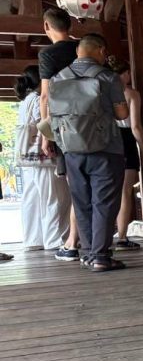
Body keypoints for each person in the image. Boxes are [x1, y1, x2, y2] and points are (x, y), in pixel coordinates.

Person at [50, 34, 128, 272]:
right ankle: (101, 257)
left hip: (72, 150)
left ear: (78, 52)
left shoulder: (58, 78)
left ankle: (87, 253)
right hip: (106, 149)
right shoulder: (107, 77)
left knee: (82, 202)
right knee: (104, 202)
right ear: (101, 51)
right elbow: (122, 114)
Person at [37, 7, 83, 261]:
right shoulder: (83, 48)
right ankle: (91, 239)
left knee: (75, 187)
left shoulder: (48, 55)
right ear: (70, 25)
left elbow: (45, 96)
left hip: (65, 126)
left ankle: (72, 242)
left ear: (46, 27)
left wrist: (46, 135)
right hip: (93, 122)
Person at [12, 65, 70, 252]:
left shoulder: (26, 101)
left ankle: (34, 239)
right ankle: (55, 239)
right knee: (55, 197)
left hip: (29, 158)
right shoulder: (39, 100)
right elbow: (46, 124)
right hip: (44, 157)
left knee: (33, 198)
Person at [108, 59, 143, 251]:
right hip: (125, 140)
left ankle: (103, 237)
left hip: (106, 140)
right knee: (125, 191)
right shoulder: (131, 94)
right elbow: (136, 126)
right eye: (127, 73)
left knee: (106, 190)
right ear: (122, 74)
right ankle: (122, 237)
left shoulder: (102, 92)